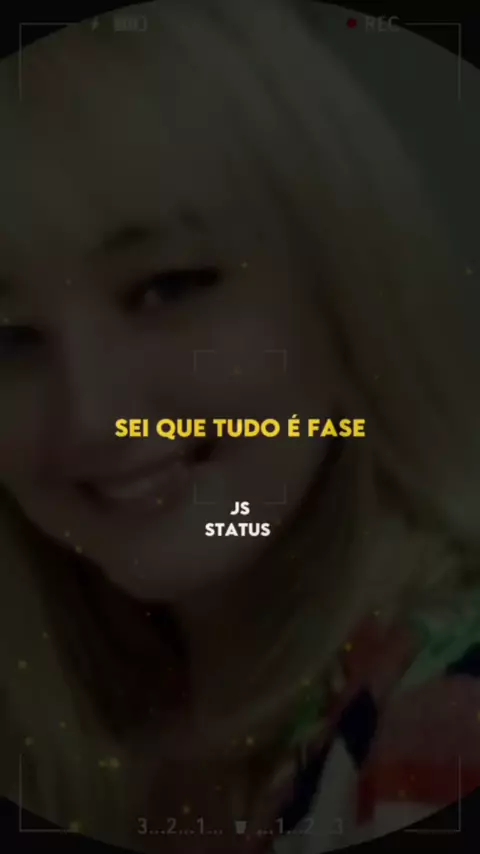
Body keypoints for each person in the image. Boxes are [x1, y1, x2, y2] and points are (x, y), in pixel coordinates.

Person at [0, 1, 479, 852]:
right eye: (8, 337)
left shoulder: (446, 715)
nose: (94, 415)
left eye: (168, 287)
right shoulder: (63, 715)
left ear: (345, 286)